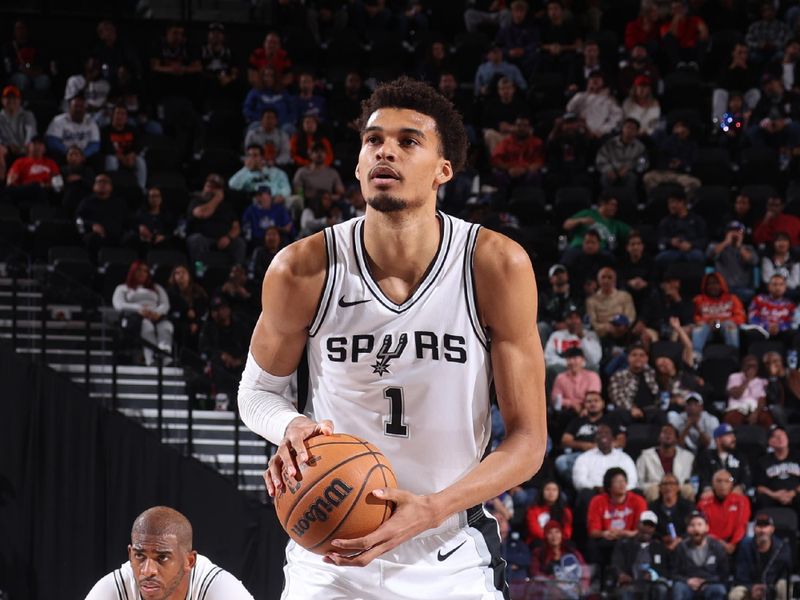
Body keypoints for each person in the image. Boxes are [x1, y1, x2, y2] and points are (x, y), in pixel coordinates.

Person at [237, 77, 547, 597]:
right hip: (330, 558)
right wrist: (290, 426)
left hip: (448, 549)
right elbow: (256, 392)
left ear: (442, 171)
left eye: (409, 141)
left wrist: (429, 510)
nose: (386, 151)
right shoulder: (300, 269)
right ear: (358, 166)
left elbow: (528, 442)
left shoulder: (495, 265)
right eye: (374, 140)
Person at [83, 505, 254, 599]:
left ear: (189, 562)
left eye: (162, 557)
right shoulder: (114, 590)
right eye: (139, 556)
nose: (147, 570)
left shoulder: (220, 590)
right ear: (130, 554)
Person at [112, 261, 173, 366]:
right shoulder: (123, 288)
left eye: (145, 271)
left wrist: (156, 312)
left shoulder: (156, 287)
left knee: (166, 326)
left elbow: (165, 304)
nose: (142, 273)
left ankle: (165, 356)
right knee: (147, 326)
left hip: (155, 316)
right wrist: (138, 309)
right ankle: (152, 360)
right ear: (133, 271)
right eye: (139, 270)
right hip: (136, 317)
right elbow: (119, 304)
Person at [557, 392, 626, 484]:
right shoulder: (577, 421)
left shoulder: (611, 420)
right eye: (589, 401)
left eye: (596, 401)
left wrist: (602, 446)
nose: (592, 404)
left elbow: (621, 441)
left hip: (604, 454)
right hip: (581, 455)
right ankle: (582, 485)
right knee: (561, 461)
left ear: (603, 403)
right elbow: (565, 441)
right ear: (584, 405)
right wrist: (585, 445)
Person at [586, 467, 647, 569]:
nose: (622, 484)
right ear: (609, 486)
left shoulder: (638, 501)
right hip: (607, 538)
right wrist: (604, 533)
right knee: (591, 544)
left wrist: (627, 533)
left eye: (623, 481)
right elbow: (593, 531)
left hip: (630, 537)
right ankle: (597, 576)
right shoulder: (597, 501)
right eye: (617, 482)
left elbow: (643, 529)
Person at [186, 174, 246, 266]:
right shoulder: (196, 201)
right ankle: (199, 270)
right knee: (196, 240)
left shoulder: (226, 206)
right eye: (209, 186)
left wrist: (228, 238)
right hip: (203, 238)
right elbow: (202, 214)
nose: (211, 190)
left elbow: (236, 227)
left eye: (215, 188)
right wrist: (216, 199)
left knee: (239, 243)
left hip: (223, 238)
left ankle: (237, 271)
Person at [730, 513, 792, 600]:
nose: (762, 530)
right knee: (736, 594)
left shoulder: (782, 546)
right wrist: (751, 587)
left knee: (783, 585)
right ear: (754, 529)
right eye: (759, 526)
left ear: (772, 529)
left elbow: (785, 573)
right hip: (750, 587)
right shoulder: (745, 546)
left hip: (772, 587)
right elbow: (740, 574)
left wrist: (768, 587)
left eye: (765, 526)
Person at [610, 511, 670, 600]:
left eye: (651, 526)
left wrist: (653, 574)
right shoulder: (624, 544)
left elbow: (667, 568)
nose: (647, 528)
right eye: (645, 524)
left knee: (661, 589)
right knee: (626, 591)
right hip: (630, 581)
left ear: (654, 529)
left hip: (652, 583)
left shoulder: (659, 547)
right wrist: (621, 574)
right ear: (638, 524)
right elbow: (616, 562)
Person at [671, 511, 729, 600]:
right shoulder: (681, 547)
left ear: (706, 527)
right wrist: (687, 581)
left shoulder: (716, 546)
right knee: (678, 588)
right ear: (687, 529)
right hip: (688, 584)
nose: (696, 529)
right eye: (692, 525)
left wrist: (707, 582)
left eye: (699, 525)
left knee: (719, 589)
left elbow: (724, 573)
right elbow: (674, 573)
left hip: (710, 583)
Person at [529, 520, 589, 599]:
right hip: (548, 592)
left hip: (571, 591)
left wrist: (582, 588)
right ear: (545, 535)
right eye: (550, 533)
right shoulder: (539, 553)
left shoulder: (572, 552)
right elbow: (535, 573)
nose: (554, 536)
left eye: (557, 532)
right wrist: (552, 581)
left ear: (561, 534)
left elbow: (584, 572)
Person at [697, 469, 750, 556]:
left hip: (736, 543)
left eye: (727, 481)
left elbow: (742, 525)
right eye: (719, 481)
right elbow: (704, 528)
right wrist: (721, 543)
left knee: (746, 543)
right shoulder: (703, 504)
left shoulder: (742, 501)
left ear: (732, 484)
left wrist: (733, 543)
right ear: (713, 484)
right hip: (712, 543)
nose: (723, 484)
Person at [636, 424, 695, 502]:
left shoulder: (688, 456)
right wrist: (658, 486)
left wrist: (673, 486)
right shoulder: (645, 456)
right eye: (665, 432)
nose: (668, 435)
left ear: (676, 439)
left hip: (678, 486)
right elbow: (639, 481)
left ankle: (691, 513)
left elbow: (691, 479)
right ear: (659, 437)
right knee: (653, 490)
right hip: (656, 487)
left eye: (671, 433)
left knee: (688, 489)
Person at [692, 272, 745, 357]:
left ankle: (733, 356)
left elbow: (740, 317)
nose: (712, 286)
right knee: (699, 327)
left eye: (715, 283)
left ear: (722, 284)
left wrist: (719, 322)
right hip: (707, 327)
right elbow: (696, 317)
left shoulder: (732, 298)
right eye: (709, 284)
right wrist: (707, 322)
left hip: (725, 325)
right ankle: (696, 357)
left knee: (730, 325)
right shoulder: (699, 299)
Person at [562, 193, 631, 257]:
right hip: (579, 248)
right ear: (603, 203)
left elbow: (632, 233)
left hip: (600, 253)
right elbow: (566, 225)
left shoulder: (615, 224)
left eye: (616, 206)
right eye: (612, 205)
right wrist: (580, 220)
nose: (615, 208)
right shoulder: (587, 213)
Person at [572, 425, 637, 494]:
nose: (603, 435)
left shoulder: (624, 458)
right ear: (595, 438)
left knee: (637, 493)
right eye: (599, 433)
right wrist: (596, 488)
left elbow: (632, 480)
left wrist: (618, 489)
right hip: (595, 493)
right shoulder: (584, 458)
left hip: (621, 493)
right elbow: (579, 481)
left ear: (612, 438)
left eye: (607, 433)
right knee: (585, 493)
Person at [642, 122, 701, 196]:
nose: (680, 130)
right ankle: (655, 199)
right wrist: (674, 136)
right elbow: (662, 150)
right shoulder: (668, 140)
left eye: (683, 129)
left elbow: (693, 161)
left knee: (695, 183)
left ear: (688, 131)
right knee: (648, 177)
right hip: (663, 173)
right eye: (678, 128)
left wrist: (681, 163)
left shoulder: (692, 145)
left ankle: (683, 204)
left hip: (679, 174)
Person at [693, 424, 752, 498]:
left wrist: (741, 487)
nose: (733, 438)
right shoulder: (706, 456)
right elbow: (702, 476)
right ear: (718, 440)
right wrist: (707, 488)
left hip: (734, 494)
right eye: (729, 435)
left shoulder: (740, 456)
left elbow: (747, 477)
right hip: (713, 494)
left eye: (733, 435)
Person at [76, 173, 126, 260]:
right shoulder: (86, 202)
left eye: (105, 182)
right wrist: (92, 225)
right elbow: (78, 220)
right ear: (94, 186)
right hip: (94, 236)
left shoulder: (119, 203)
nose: (102, 184)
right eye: (99, 182)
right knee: (92, 239)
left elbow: (126, 221)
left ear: (111, 187)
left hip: (115, 237)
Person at [489, 116, 544, 195]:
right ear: (514, 127)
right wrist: (509, 168)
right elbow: (495, 160)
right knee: (499, 176)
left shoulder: (537, 142)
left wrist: (524, 169)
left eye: (525, 126)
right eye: (519, 125)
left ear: (530, 128)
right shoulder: (506, 142)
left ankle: (531, 203)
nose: (521, 128)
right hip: (509, 172)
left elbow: (539, 161)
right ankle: (503, 205)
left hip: (527, 172)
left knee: (534, 175)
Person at [709, 221, 758, 305]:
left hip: (742, 287)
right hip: (721, 288)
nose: (735, 233)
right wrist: (726, 242)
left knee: (749, 294)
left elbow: (752, 261)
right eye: (732, 231)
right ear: (726, 232)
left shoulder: (748, 248)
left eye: (738, 231)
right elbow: (710, 256)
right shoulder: (716, 245)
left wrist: (739, 246)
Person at [608, 344, 660, 422]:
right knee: (620, 414)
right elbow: (617, 397)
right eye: (634, 355)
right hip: (628, 411)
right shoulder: (619, 376)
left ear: (647, 359)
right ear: (628, 358)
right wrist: (632, 409)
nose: (638, 358)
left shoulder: (652, 373)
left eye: (642, 355)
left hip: (651, 410)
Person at [655, 191, 708, 266]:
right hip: (673, 251)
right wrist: (670, 241)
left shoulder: (697, 219)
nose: (670, 206)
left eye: (672, 202)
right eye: (669, 203)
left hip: (692, 250)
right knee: (660, 258)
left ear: (682, 202)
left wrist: (691, 245)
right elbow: (660, 240)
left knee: (698, 256)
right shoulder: (665, 221)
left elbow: (704, 240)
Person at [754, 424, 800, 512]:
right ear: (770, 442)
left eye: (782, 434)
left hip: (796, 494)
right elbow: (759, 487)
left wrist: (793, 493)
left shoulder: (798, 456)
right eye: (775, 436)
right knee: (762, 499)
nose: (780, 438)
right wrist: (774, 495)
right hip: (773, 497)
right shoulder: (763, 461)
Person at [565, 71, 623, 139]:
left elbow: (616, 119)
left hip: (594, 134)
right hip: (576, 131)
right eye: (592, 78)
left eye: (598, 78)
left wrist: (602, 131)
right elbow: (569, 109)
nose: (595, 80)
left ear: (603, 82)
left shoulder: (609, 100)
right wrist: (586, 94)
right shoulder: (581, 95)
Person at [102, 104, 146, 191]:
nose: (120, 116)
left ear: (126, 117)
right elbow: (105, 148)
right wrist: (122, 158)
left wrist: (132, 155)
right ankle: (111, 189)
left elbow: (139, 145)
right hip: (115, 157)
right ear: (112, 115)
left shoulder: (132, 129)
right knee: (111, 160)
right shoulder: (105, 130)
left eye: (123, 114)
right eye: (118, 113)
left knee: (140, 161)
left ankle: (141, 189)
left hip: (129, 157)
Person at [595, 118, 647, 192]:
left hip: (629, 172)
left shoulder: (640, 147)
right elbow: (601, 159)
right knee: (605, 177)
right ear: (622, 129)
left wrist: (629, 168)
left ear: (637, 132)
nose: (629, 131)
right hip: (611, 170)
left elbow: (642, 163)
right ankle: (607, 200)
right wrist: (609, 169)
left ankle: (626, 200)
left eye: (633, 129)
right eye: (627, 127)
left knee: (631, 178)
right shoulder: (610, 143)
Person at [543, 306, 602, 371]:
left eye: (576, 317)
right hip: (562, 370)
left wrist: (582, 338)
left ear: (581, 320)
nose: (574, 321)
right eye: (570, 318)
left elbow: (594, 360)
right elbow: (548, 358)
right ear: (565, 320)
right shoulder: (556, 335)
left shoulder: (591, 335)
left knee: (594, 369)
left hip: (584, 370)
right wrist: (568, 363)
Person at [45, 94, 100, 160]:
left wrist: (83, 155)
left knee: (98, 157)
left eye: (81, 106)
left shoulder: (91, 122)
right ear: (69, 108)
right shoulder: (58, 120)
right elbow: (52, 142)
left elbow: (95, 144)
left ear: (85, 108)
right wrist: (69, 153)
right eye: (76, 106)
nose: (78, 109)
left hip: (84, 156)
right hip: (63, 154)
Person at [649, 473, 695, 552]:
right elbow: (649, 529)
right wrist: (662, 538)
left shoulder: (688, 506)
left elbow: (692, 526)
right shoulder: (652, 507)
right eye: (665, 484)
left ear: (678, 487)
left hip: (684, 545)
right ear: (660, 488)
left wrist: (680, 539)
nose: (668, 487)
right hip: (659, 545)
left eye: (672, 483)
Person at [166, 265, 208, 352]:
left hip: (197, 320)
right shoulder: (170, 293)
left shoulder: (198, 291)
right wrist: (186, 311)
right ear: (173, 277)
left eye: (184, 272)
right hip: (178, 321)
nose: (181, 275)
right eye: (177, 273)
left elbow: (202, 309)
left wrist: (195, 322)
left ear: (189, 275)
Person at [585, 268, 636, 339]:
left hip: (624, 332)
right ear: (598, 280)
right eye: (603, 277)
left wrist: (623, 326)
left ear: (615, 280)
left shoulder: (625, 296)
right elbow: (593, 323)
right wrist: (606, 327)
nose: (606, 281)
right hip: (601, 335)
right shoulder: (591, 300)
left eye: (609, 277)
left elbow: (630, 316)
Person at [725, 354, 772, 428]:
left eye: (754, 366)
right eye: (749, 365)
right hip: (737, 408)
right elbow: (736, 395)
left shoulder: (761, 381)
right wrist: (747, 380)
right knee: (732, 419)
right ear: (743, 366)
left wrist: (755, 413)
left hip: (755, 409)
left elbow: (762, 400)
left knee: (766, 419)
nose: (751, 368)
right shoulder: (734, 377)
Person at [551, 348, 602, 413]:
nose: (572, 362)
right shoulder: (560, 378)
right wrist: (571, 404)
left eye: (575, 358)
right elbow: (556, 400)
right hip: (567, 412)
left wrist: (583, 408)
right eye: (569, 359)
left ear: (583, 360)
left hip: (588, 410)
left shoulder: (592, 376)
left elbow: (594, 397)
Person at [526, 480, 573, 544]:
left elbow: (567, 531)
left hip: (560, 542)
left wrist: (556, 540)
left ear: (559, 493)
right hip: (539, 540)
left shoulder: (565, 511)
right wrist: (551, 539)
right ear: (542, 492)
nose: (551, 493)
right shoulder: (533, 510)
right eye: (547, 489)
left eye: (554, 490)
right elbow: (534, 530)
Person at [0, 84, 37, 161]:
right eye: (8, 98)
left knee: (32, 146)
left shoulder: (27, 115)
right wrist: (8, 146)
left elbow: (31, 133)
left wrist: (24, 147)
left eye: (14, 98)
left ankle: (28, 170)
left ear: (20, 100)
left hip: (24, 147)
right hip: (6, 148)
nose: (11, 100)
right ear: (2, 100)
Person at [761, 232, 800, 300]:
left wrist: (781, 286)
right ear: (773, 244)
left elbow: (795, 282)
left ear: (789, 243)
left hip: (791, 291)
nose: (782, 243)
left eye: (784, 240)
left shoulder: (795, 259)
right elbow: (767, 279)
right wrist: (778, 286)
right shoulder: (767, 258)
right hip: (771, 290)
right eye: (778, 240)